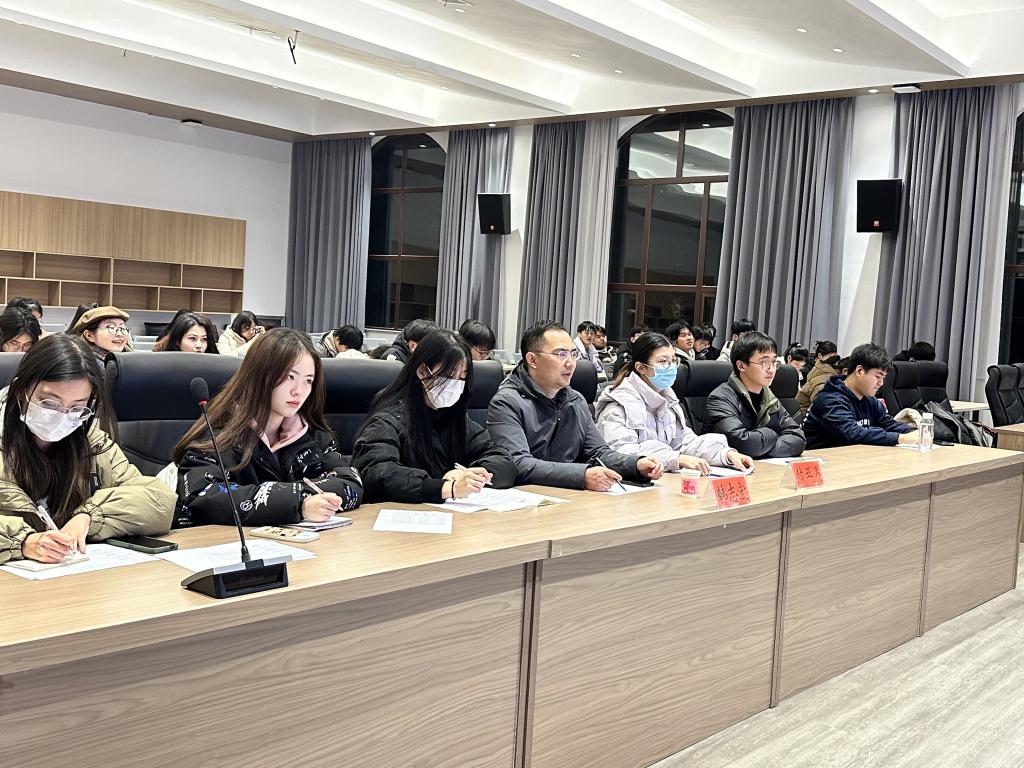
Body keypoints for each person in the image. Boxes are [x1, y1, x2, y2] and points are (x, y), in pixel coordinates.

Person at [0, 335, 175, 565]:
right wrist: (22, 541)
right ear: (20, 390)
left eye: (76, 408)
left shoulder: (91, 441)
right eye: (49, 403)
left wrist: (90, 515)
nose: (62, 416)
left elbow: (159, 500)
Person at [173, 328, 363, 527]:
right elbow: (201, 496)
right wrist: (297, 503)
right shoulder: (218, 435)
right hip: (227, 542)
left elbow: (350, 482)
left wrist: (298, 499)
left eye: (308, 380)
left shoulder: (313, 434)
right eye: (290, 377)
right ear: (260, 375)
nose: (299, 391)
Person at [486, 321, 664, 490]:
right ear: (532, 360)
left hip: (569, 496)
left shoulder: (575, 401)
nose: (571, 363)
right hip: (526, 499)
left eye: (573, 354)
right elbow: (518, 463)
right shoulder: (507, 402)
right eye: (561, 354)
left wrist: (635, 464)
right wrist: (581, 475)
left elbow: (598, 453)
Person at [352, 331, 516, 502]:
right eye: (449, 375)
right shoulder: (388, 420)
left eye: (462, 377)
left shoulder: (456, 418)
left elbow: (502, 460)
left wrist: (473, 475)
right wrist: (445, 487)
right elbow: (378, 473)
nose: (456, 384)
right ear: (422, 371)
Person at [595, 332, 753, 473]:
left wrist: (725, 454)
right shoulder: (618, 405)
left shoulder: (667, 399)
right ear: (641, 368)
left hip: (665, 482)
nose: (670, 367)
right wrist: (675, 459)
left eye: (673, 361)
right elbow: (620, 453)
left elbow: (684, 441)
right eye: (663, 361)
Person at [705, 332, 806, 459]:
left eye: (774, 362)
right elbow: (743, 444)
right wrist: (772, 435)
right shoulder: (720, 398)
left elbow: (798, 439)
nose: (771, 369)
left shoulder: (769, 398)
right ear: (741, 365)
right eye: (764, 362)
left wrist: (764, 448)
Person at [803, 343, 919, 449]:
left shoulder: (870, 400)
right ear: (859, 371)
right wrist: (900, 438)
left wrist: (917, 433)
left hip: (853, 457)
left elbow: (889, 425)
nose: (881, 383)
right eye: (878, 377)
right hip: (822, 460)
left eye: (883, 378)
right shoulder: (830, 399)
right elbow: (852, 433)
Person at [796, 342, 841, 416]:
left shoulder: (820, 369)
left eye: (835, 357)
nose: (834, 360)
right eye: (830, 357)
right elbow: (821, 405)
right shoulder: (822, 376)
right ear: (820, 355)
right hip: (805, 417)